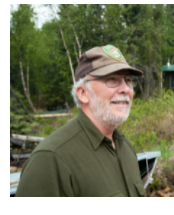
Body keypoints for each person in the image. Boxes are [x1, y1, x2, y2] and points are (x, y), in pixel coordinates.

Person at [16, 45, 145, 197]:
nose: (126, 89)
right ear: (83, 93)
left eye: (128, 80)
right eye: (112, 79)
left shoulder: (126, 147)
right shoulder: (50, 159)